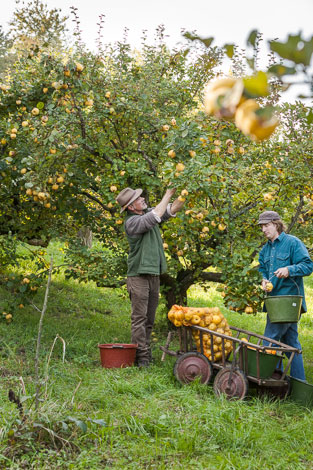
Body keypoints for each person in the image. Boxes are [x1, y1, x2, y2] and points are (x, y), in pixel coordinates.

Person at [116, 186, 185, 367]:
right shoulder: (132, 222)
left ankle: (144, 354)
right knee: (139, 318)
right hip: (138, 275)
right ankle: (141, 358)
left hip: (153, 274)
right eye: (139, 199)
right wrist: (167, 193)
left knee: (150, 318)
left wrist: (186, 194)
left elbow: (169, 210)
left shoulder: (147, 212)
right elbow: (156, 215)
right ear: (131, 207)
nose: (143, 199)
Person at [258, 210, 313, 380]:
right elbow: (262, 270)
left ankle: (268, 380)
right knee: (290, 344)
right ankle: (299, 385)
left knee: (270, 341)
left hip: (288, 302)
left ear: (276, 224)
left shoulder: (292, 243)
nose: (263, 230)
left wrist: (289, 269)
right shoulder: (265, 250)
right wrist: (263, 280)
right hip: (274, 303)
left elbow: (308, 266)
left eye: (266, 225)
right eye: (261, 226)